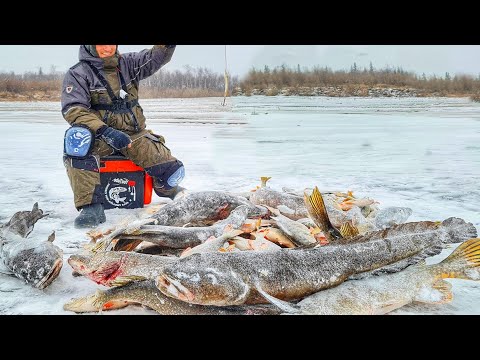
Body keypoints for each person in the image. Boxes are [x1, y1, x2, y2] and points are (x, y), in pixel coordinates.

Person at [61, 45, 185, 228]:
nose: (106, 47)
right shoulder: (78, 73)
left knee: (175, 173)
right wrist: (105, 131)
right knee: (76, 138)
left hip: (134, 136)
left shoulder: (129, 64)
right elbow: (74, 110)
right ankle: (90, 206)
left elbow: (155, 57)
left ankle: (164, 187)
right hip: (99, 138)